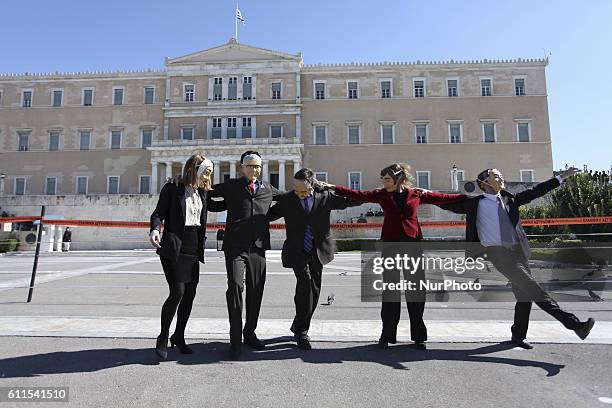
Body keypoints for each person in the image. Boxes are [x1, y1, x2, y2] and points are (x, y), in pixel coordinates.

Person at [439, 167, 595, 349]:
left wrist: (562, 177)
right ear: (484, 183)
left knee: (524, 296)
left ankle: (517, 336)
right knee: (536, 290)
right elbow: (445, 202)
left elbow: (536, 191)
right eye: (496, 176)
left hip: (518, 252)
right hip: (498, 253)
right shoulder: (475, 204)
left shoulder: (509, 199)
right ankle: (575, 325)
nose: (501, 178)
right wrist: (421, 194)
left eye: (500, 175)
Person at [319, 163, 466, 350]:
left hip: (413, 244)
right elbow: (359, 195)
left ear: (398, 179)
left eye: (387, 179)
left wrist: (468, 197)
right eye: (383, 179)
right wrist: (332, 187)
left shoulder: (416, 194)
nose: (383, 182)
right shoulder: (381, 194)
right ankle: (387, 334)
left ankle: (419, 336)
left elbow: (442, 198)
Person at [267, 168, 359, 350]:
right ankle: (301, 332)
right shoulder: (288, 199)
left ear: (312, 186)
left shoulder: (325, 197)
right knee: (305, 286)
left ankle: (297, 324)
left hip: (318, 250)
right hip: (297, 250)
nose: (300, 194)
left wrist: (334, 187)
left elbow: (354, 200)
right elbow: (267, 215)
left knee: (315, 291)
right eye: (296, 190)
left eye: (304, 191)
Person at [207, 150, 283, 359]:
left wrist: (268, 216)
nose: (254, 169)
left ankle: (249, 333)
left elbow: (287, 199)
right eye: (250, 166)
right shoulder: (231, 186)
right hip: (235, 247)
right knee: (235, 288)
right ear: (242, 167)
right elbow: (208, 192)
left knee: (256, 290)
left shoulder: (268, 188)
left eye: (257, 166)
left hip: (258, 248)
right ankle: (235, 341)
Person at [149, 154, 225, 360]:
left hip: (193, 246)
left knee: (190, 294)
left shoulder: (203, 192)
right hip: (174, 245)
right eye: (206, 172)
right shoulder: (172, 188)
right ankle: (163, 336)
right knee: (177, 292)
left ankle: (179, 336)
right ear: (194, 170)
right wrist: (155, 229)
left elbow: (217, 206)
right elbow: (158, 214)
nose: (208, 177)